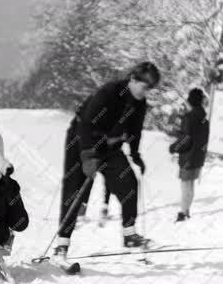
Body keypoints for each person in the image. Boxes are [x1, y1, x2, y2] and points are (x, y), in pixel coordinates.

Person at [56, 61, 160, 259]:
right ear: (133, 79)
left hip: (110, 146)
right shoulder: (109, 92)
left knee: (129, 181)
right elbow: (86, 123)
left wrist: (135, 154)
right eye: (144, 87)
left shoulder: (139, 103)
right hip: (81, 139)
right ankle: (62, 245)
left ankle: (129, 235)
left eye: (149, 89)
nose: (145, 93)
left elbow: (134, 130)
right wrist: (87, 155)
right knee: (74, 189)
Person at [169, 87, 209, 222]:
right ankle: (186, 210)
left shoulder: (189, 117)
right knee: (190, 184)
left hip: (188, 157)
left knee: (185, 185)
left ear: (190, 101)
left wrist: (173, 147)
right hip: (198, 157)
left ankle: (182, 213)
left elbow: (186, 140)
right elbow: (195, 136)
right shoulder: (204, 118)